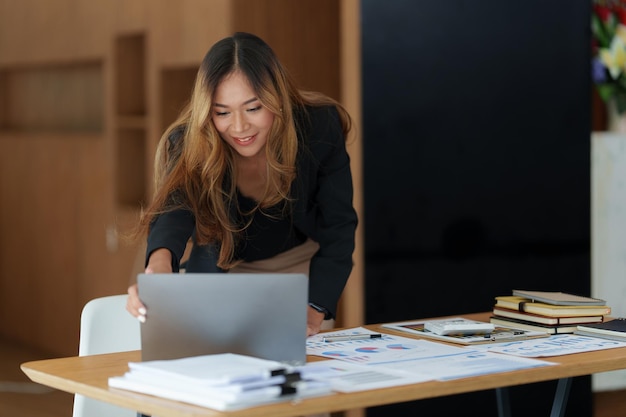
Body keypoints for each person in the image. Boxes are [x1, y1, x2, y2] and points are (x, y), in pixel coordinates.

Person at [126, 32, 357, 337]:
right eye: (222, 112)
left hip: (297, 269)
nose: (239, 127)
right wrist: (159, 267)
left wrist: (314, 309)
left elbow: (338, 227)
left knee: (296, 375)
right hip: (220, 266)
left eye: (253, 108)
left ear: (277, 98)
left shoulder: (318, 128)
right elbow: (174, 212)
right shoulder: (189, 141)